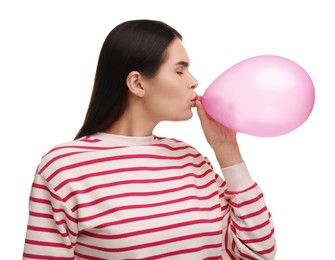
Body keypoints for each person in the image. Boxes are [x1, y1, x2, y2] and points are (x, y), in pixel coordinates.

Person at [23, 19, 276, 259]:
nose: (193, 82)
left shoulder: (192, 160)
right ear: (137, 83)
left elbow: (257, 252)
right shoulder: (64, 167)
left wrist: (227, 149)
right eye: (180, 71)